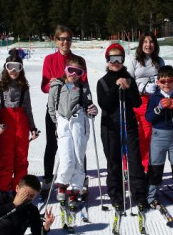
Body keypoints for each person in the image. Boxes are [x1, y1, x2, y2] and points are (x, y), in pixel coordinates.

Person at [96, 43, 149, 212]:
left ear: (123, 60)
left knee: (134, 161)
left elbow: (137, 102)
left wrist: (127, 87)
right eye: (112, 58)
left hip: (129, 126)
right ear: (107, 60)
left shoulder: (129, 79)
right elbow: (105, 105)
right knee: (113, 162)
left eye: (119, 58)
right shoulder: (102, 82)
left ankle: (139, 195)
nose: (115, 62)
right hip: (110, 127)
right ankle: (116, 196)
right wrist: (115, 87)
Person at [40, 25, 88, 193]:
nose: (65, 42)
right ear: (56, 41)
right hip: (56, 109)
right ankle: (47, 178)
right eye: (61, 39)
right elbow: (44, 86)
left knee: (78, 144)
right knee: (53, 143)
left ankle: (81, 177)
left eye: (68, 39)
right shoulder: (49, 59)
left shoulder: (79, 60)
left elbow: (84, 84)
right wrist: (53, 85)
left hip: (75, 110)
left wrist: (87, 104)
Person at [47, 58, 98, 206]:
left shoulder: (83, 87)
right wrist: (58, 122)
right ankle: (62, 185)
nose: (74, 74)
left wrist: (92, 111)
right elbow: (51, 107)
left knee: (78, 157)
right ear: (66, 69)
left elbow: (89, 106)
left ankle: (75, 189)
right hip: (63, 122)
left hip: (79, 123)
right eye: (71, 70)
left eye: (78, 72)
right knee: (66, 157)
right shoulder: (57, 86)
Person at [0, 49, 39, 194]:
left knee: (21, 157)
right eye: (10, 66)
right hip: (6, 122)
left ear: (21, 69)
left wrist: (32, 127)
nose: (13, 70)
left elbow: (28, 108)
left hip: (21, 122)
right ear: (6, 67)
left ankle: (19, 187)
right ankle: (3, 188)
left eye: (17, 67)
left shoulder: (24, 87)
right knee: (6, 156)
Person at [144, 65, 173, 208]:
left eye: (169, 81)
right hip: (159, 135)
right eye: (163, 81)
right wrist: (159, 108)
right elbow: (149, 117)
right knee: (156, 166)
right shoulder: (154, 98)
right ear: (158, 82)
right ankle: (151, 195)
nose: (166, 84)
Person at [127, 32, 165, 172]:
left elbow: (163, 79)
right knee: (130, 135)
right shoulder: (134, 60)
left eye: (151, 42)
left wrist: (158, 85)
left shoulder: (159, 61)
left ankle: (144, 167)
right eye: (145, 42)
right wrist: (141, 88)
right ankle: (127, 166)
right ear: (141, 44)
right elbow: (128, 80)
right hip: (135, 100)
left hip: (151, 102)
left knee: (146, 135)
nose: (148, 45)